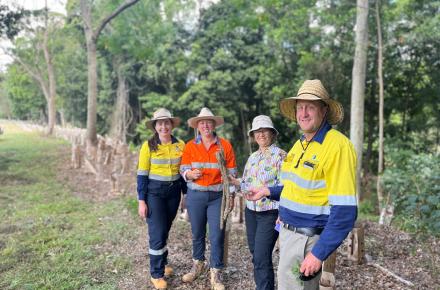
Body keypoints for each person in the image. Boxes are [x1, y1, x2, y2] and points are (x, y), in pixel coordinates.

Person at [248, 80, 358, 290]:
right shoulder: (300, 145)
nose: (303, 113)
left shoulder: (337, 146)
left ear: (324, 110)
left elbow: (345, 211)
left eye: (310, 106)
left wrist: (317, 254)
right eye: (300, 107)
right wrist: (268, 191)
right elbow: (296, 188)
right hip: (289, 235)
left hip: (307, 240)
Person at [179, 107, 237, 290]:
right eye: (201, 122)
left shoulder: (225, 145)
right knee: (197, 233)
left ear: (213, 125)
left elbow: (232, 174)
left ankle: (216, 272)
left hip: (217, 197)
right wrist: (189, 174)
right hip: (195, 196)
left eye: (208, 122)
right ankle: (198, 265)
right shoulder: (190, 146)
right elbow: (182, 169)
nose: (205, 125)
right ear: (197, 126)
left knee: (217, 234)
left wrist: (232, 196)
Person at [229, 115, 286, 290]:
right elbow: (246, 184)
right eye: (257, 131)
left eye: (264, 130)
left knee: (261, 256)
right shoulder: (252, 158)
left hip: (271, 213)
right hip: (251, 212)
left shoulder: (282, 156)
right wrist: (236, 184)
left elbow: (288, 188)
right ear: (253, 135)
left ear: (272, 133)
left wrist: (283, 214)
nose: (261, 134)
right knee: (256, 254)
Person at [137, 108, 186, 290]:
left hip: (173, 193)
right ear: (155, 126)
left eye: (167, 123)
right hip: (154, 194)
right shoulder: (148, 146)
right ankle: (156, 274)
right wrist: (141, 200)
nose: (164, 126)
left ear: (171, 125)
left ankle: (164, 264)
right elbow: (142, 175)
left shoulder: (181, 145)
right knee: (157, 233)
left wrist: (185, 195)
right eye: (160, 123)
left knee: (165, 230)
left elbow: (183, 173)